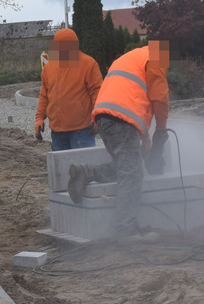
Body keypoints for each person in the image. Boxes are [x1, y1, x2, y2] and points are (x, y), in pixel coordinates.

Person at [67, 40, 170, 240]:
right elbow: (160, 98)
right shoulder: (157, 55)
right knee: (132, 174)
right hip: (122, 120)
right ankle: (126, 230)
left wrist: (146, 138)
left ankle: (86, 172)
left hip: (105, 118)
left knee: (125, 167)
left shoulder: (132, 57)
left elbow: (130, 96)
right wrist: (162, 130)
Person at [35, 28, 103, 151]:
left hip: (81, 131)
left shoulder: (88, 64)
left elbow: (97, 93)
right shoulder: (49, 67)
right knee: (62, 168)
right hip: (57, 131)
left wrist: (97, 117)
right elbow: (44, 95)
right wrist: (39, 118)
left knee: (84, 167)